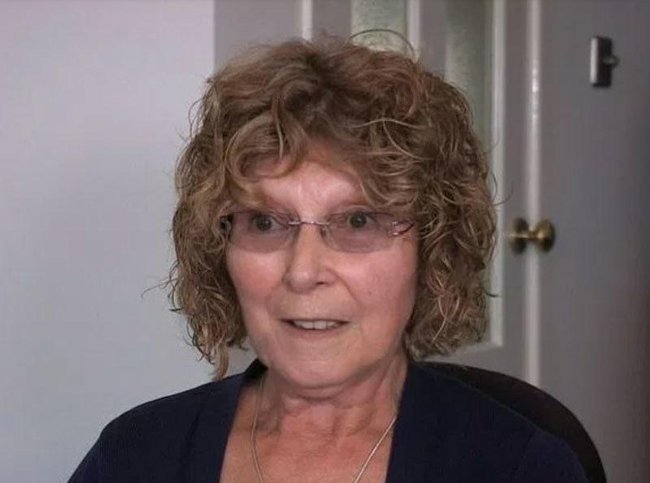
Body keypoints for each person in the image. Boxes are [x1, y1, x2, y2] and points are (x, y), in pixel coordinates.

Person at [70, 37, 587, 482]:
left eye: (358, 221)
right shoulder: (136, 456)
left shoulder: (516, 467)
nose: (303, 272)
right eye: (265, 222)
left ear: (432, 251)